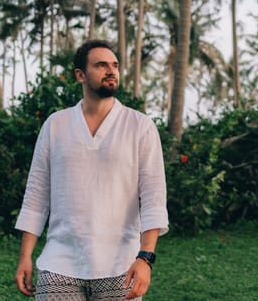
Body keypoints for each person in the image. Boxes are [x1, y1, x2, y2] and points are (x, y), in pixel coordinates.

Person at [14, 39, 169, 300]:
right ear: (80, 75)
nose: (111, 70)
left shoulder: (140, 126)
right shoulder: (56, 125)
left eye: (115, 65)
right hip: (59, 264)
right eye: (101, 65)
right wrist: (25, 257)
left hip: (122, 265)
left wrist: (145, 257)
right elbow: (36, 195)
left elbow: (154, 198)